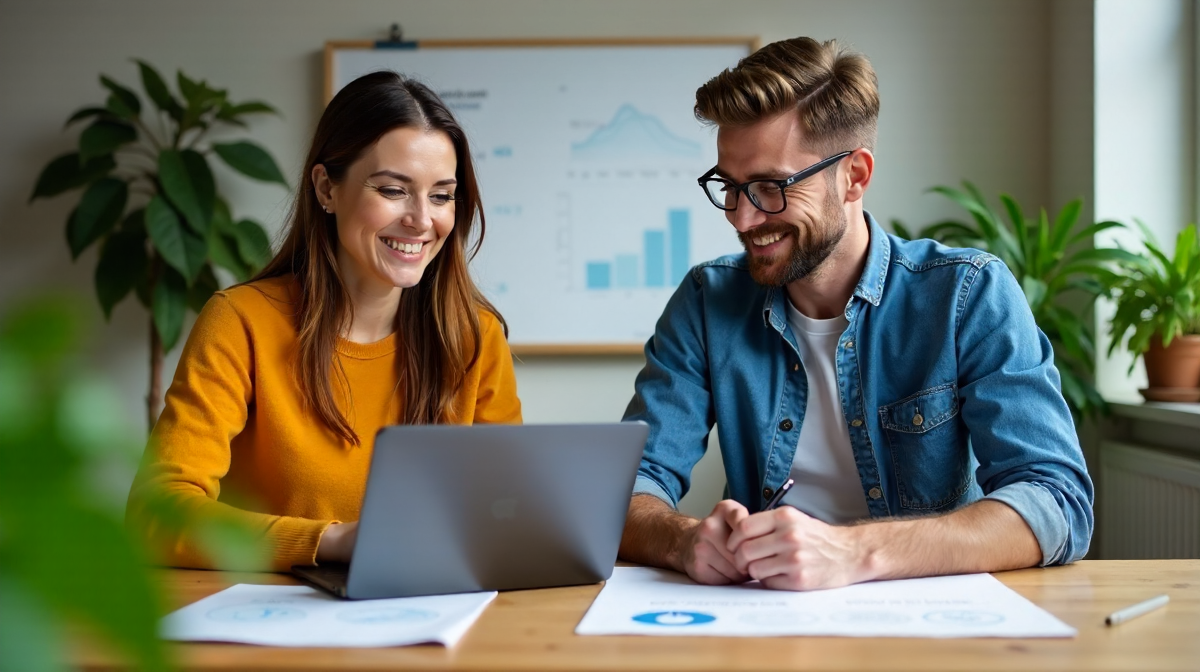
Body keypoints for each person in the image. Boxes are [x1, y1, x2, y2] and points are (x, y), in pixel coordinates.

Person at [617, 37, 1093, 591]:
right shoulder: (707, 301)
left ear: (855, 176)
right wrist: (683, 539)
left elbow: (1055, 499)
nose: (742, 219)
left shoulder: (967, 295)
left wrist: (854, 552)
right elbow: (630, 484)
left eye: (771, 187)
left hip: (928, 615)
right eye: (730, 187)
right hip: (765, 614)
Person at [126, 72, 522, 571]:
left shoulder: (473, 337)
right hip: (271, 619)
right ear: (326, 189)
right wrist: (334, 542)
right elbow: (155, 515)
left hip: (429, 614)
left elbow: (510, 511)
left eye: (442, 196)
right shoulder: (241, 323)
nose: (422, 220)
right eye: (394, 190)